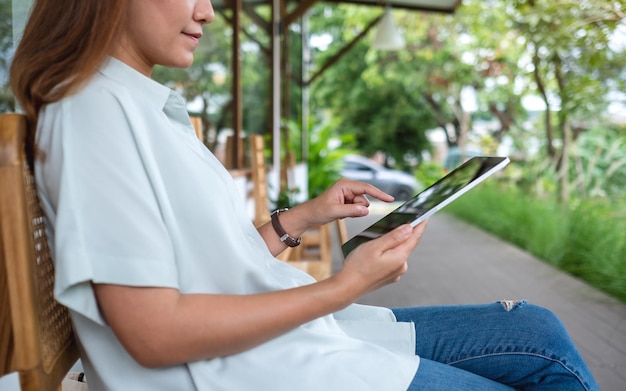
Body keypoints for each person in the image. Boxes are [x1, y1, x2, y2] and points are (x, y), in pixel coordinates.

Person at [10, 1, 600, 390]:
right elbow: (153, 333)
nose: (207, 11)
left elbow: (213, 270)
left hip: (290, 344)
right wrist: (345, 286)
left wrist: (307, 216)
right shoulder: (92, 112)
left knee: (538, 329)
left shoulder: (138, 106)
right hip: (261, 371)